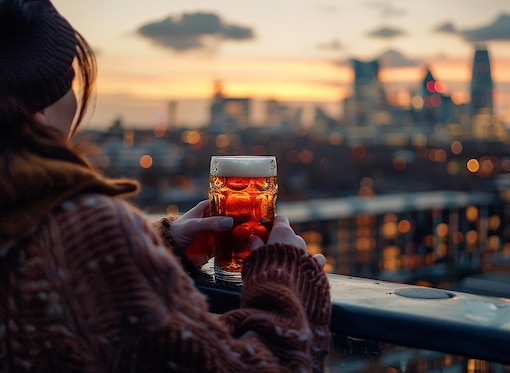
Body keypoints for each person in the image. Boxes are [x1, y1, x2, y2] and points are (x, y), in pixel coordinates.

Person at [0, 0, 331, 371]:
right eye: (70, 78)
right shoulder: (80, 226)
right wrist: (287, 280)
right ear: (40, 107)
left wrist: (156, 251)